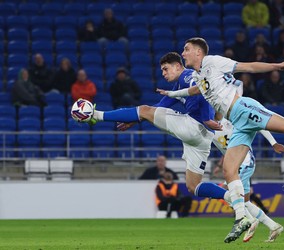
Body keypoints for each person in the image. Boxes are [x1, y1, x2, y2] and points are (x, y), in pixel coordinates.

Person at [157, 37, 284, 243]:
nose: (183, 53)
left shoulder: (213, 62)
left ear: (198, 53)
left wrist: (277, 66)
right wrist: (172, 93)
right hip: (238, 122)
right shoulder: (200, 75)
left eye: (187, 49)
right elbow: (194, 90)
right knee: (229, 170)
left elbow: (249, 67)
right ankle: (241, 219)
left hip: (243, 110)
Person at [82, 52, 230, 210]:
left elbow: (203, 90)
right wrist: (134, 119)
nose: (163, 74)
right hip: (203, 138)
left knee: (144, 109)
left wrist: (207, 118)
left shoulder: (187, 76)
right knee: (193, 186)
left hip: (194, 127)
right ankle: (232, 196)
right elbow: (159, 108)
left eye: (166, 69)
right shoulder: (178, 87)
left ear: (178, 66)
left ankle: (96, 115)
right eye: (162, 71)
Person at [212, 117, 284, 243]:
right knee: (244, 201)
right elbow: (226, 150)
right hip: (235, 164)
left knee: (227, 192)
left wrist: (273, 143)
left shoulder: (230, 119)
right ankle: (274, 226)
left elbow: (258, 123)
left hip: (245, 161)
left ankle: (250, 220)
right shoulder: (208, 127)